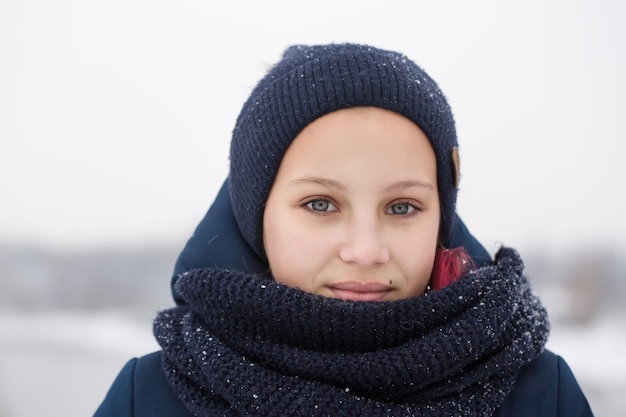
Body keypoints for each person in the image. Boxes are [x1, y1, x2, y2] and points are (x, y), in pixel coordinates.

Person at [94, 43, 594, 416]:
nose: (365, 250)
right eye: (320, 203)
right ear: (256, 217)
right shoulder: (153, 396)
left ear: (441, 217)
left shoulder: (537, 393)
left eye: (401, 208)